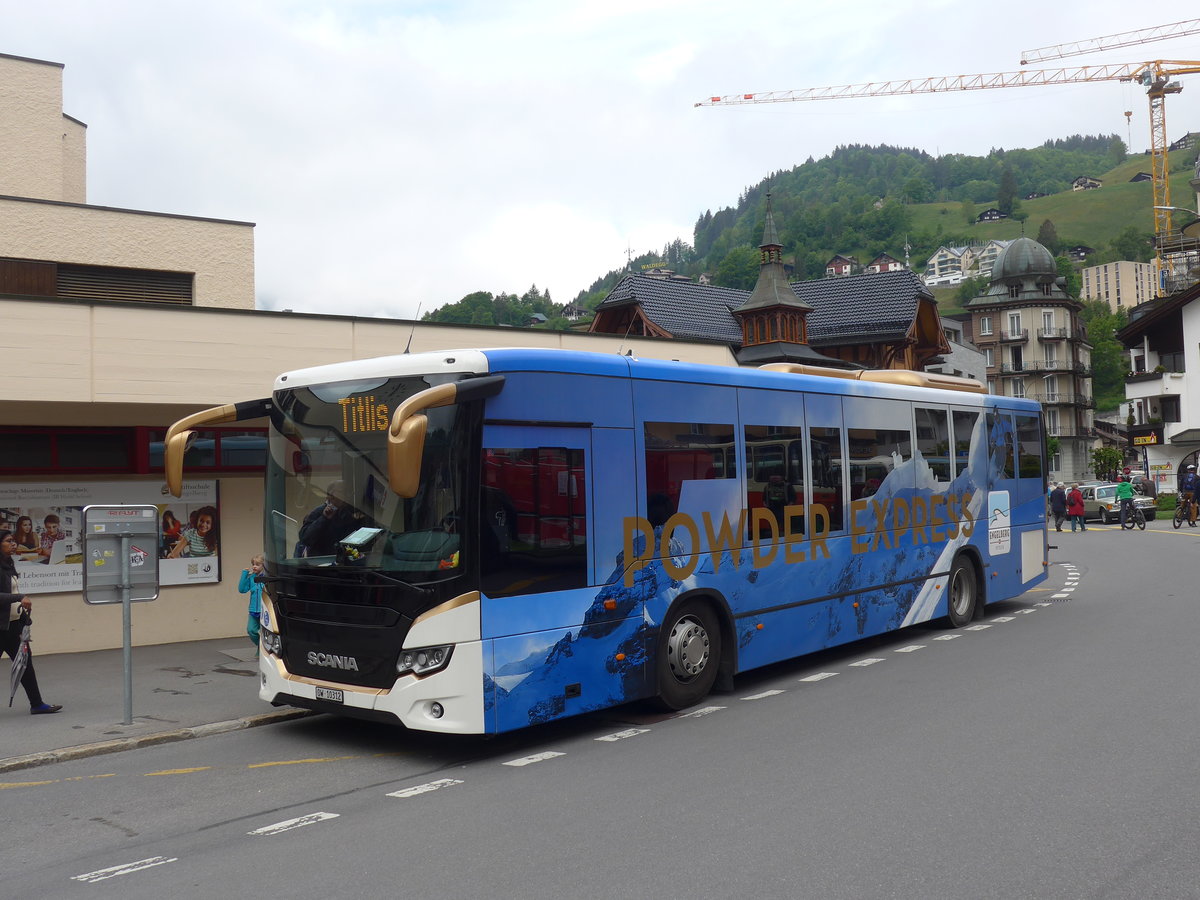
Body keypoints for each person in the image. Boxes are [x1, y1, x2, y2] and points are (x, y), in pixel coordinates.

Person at [0, 530, 62, 714]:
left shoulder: (8, 564)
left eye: (13, 541)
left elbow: (13, 596)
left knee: (25, 664)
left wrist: (25, 618)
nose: (13, 544)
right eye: (9, 541)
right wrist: (19, 596)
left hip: (13, 626)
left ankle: (37, 704)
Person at [298, 481, 360, 556]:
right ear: (331, 495)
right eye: (343, 492)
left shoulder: (346, 514)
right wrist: (324, 518)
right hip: (321, 563)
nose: (347, 495)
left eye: (348, 492)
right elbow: (305, 539)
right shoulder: (318, 512)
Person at [238, 554, 265, 650]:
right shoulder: (251, 578)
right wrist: (244, 574)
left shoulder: (267, 577)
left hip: (264, 610)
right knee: (251, 630)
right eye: (253, 564)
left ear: (263, 566)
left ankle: (263, 650)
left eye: (257, 564)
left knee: (265, 633)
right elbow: (242, 589)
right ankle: (260, 647)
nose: (254, 566)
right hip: (253, 610)